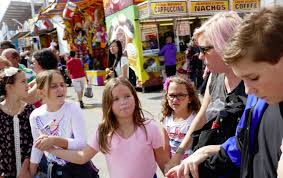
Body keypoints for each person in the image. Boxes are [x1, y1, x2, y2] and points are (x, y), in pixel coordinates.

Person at [166, 6, 283, 178]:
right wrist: (203, 155)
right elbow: (242, 143)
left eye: (254, 77)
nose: (249, 89)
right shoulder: (258, 97)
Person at [164, 11, 246, 173]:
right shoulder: (215, 75)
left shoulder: (255, 84)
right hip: (212, 167)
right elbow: (202, 115)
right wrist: (179, 154)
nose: (200, 56)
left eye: (204, 49)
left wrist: (206, 151)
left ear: (225, 45)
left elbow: (252, 141)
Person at [37, 78, 169, 178]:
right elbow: (82, 156)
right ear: (108, 105)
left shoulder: (149, 128)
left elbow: (163, 162)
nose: (123, 102)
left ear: (135, 97)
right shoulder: (104, 132)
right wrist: (51, 148)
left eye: (127, 96)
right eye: (115, 99)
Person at [29, 70, 97, 178]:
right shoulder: (35, 116)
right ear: (41, 93)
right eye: (54, 86)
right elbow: (37, 146)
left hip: (77, 170)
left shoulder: (72, 108)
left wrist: (54, 141)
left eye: (62, 84)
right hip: (53, 171)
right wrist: (31, 171)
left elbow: (81, 143)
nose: (60, 89)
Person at [0, 67, 34, 178]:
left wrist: (25, 168)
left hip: (28, 172)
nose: (28, 85)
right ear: (9, 87)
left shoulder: (30, 110)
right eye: (23, 81)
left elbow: (33, 142)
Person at [161, 76, 201, 159]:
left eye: (181, 95)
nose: (175, 100)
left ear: (190, 98)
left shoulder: (197, 118)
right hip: (174, 166)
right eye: (171, 95)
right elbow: (166, 147)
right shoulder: (166, 119)